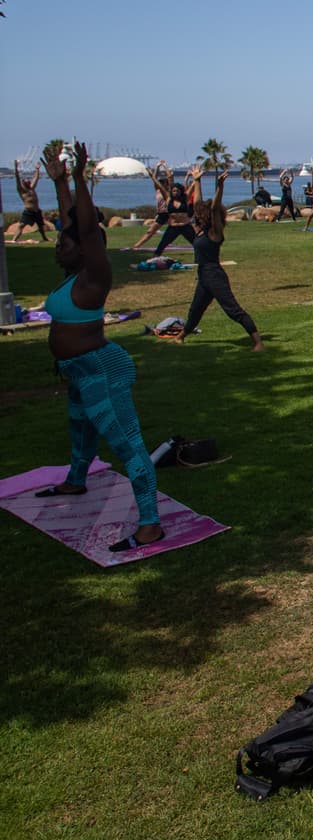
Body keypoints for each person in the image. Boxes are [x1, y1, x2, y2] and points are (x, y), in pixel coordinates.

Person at [37, 142, 164, 552]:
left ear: (89, 250)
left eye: (65, 244)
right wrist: (60, 184)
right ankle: (76, 480)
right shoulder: (73, 274)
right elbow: (75, 226)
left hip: (101, 370)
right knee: (79, 429)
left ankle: (149, 523)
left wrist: (78, 178)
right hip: (77, 371)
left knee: (128, 444)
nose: (60, 245)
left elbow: (86, 229)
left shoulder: (95, 275)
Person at [174, 169, 264, 350]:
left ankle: (258, 343)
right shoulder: (200, 232)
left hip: (214, 275)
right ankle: (181, 336)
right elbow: (198, 203)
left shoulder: (214, 233)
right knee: (196, 309)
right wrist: (197, 180)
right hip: (204, 276)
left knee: (233, 310)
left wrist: (220, 187)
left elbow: (215, 208)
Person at [153, 169, 199, 255]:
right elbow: (160, 186)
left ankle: (205, 258)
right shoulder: (168, 199)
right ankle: (154, 258)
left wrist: (195, 177)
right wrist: (153, 177)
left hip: (185, 226)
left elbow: (193, 186)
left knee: (197, 243)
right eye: (174, 191)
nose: (176, 192)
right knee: (162, 244)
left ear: (180, 191)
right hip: (172, 227)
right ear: (171, 192)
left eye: (177, 191)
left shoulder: (185, 199)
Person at [129, 160, 172, 250]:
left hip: (171, 213)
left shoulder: (170, 191)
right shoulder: (158, 191)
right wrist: (157, 167)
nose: (161, 185)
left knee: (181, 231)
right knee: (150, 231)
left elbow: (170, 178)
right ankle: (137, 246)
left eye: (163, 184)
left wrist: (165, 166)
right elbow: (154, 178)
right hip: (162, 214)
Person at [13, 159, 49, 242]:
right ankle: (14, 239)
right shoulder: (22, 190)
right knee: (21, 225)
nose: (29, 182)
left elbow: (36, 178)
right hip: (28, 212)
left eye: (29, 182)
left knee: (40, 226)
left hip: (36, 211)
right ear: (24, 184)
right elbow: (17, 179)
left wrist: (37, 169)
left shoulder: (31, 188)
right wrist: (16, 168)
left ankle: (44, 238)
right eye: (27, 182)